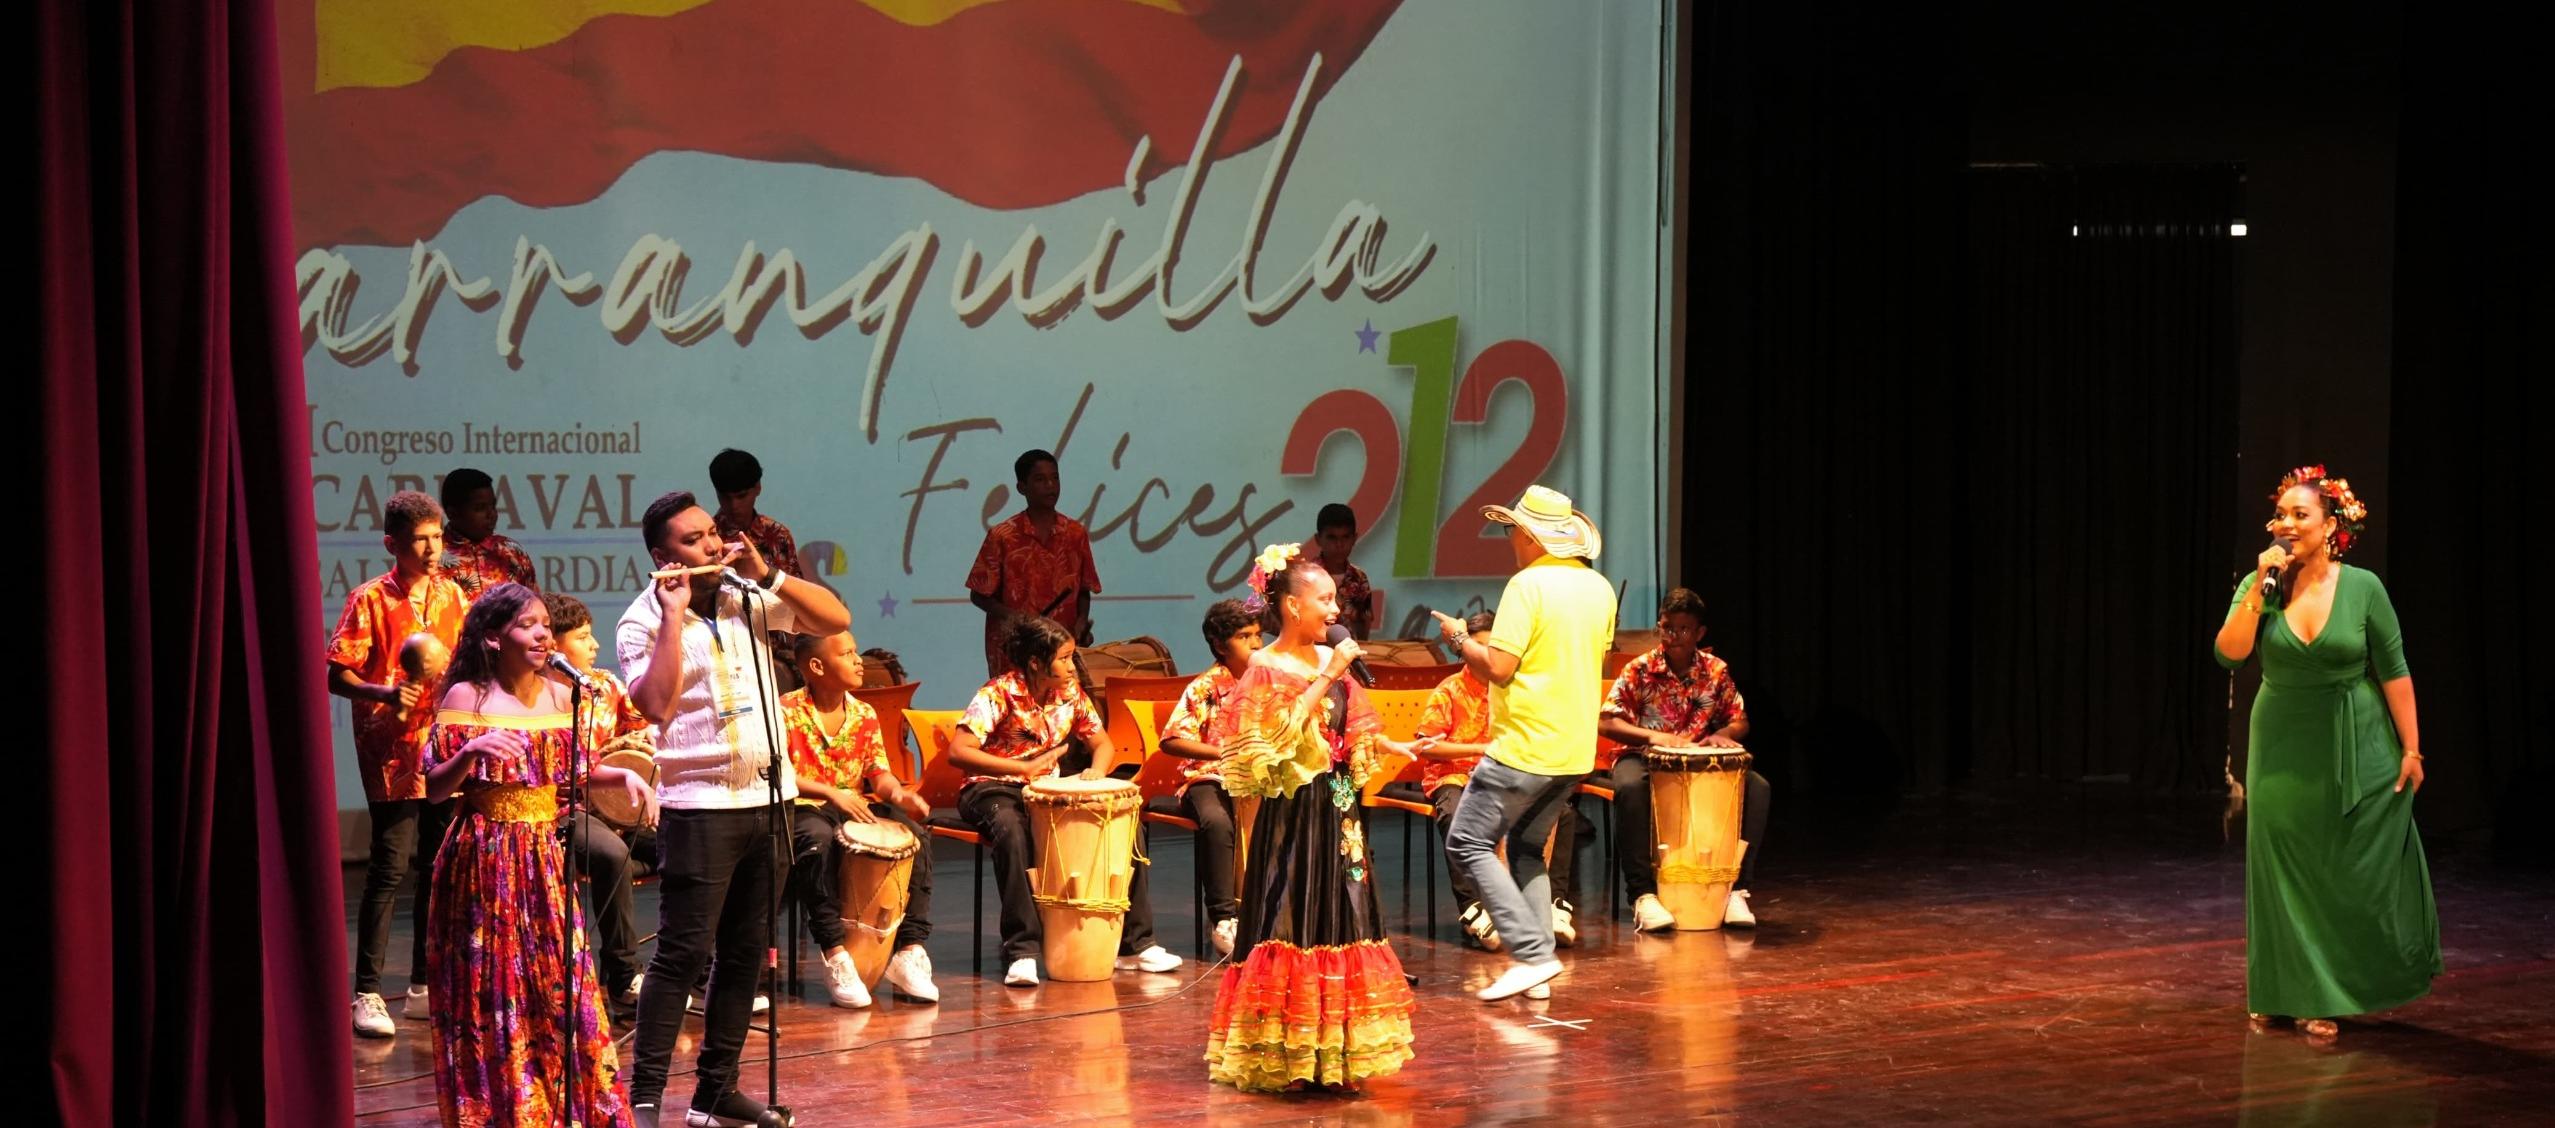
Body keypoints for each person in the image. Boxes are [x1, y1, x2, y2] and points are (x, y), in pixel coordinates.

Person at [618, 490, 850, 1128]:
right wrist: (671, 618)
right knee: (682, 954)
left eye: (711, 534)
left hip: (769, 797)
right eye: (694, 541)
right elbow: (655, 706)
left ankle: (716, 1091)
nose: (713, 545)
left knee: (745, 954)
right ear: (664, 556)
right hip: (699, 808)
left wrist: (770, 574)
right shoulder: (640, 620)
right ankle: (643, 1098)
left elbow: (833, 620)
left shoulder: (747, 598)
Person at [2212, 465, 2440, 1042]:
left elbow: (2394, 671)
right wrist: (2258, 589)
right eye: (2280, 514)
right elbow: (2229, 655)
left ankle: (2327, 993)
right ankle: (2276, 992)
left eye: (2300, 514)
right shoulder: (2261, 581)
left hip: (2354, 737)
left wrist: (2412, 748)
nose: (2287, 524)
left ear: (2330, 524)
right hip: (2283, 738)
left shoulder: (2363, 587)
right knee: (2280, 862)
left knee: (2337, 867)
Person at [422, 582, 652, 1126]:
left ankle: (561, 1102)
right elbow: (433, 787)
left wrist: (622, 774)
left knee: (555, 978)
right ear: (495, 638)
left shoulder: (559, 695)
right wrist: (471, 751)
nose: (543, 633)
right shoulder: (466, 698)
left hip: (542, 859)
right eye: (529, 625)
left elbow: (574, 772)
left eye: (546, 624)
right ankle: (502, 1105)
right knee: (493, 983)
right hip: (483, 855)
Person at [1204, 543, 1424, 1092]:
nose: (1335, 611)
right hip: (1296, 815)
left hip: (1339, 807)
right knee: (1294, 916)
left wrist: (1395, 745)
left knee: (1344, 914)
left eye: (1336, 600)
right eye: (1323, 599)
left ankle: (1336, 1055)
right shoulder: (1265, 667)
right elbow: (1275, 738)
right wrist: (1330, 674)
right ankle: (1288, 1055)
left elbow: (1353, 727)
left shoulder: (1334, 661)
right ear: (1290, 606)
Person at [1430, 485, 1616, 1003]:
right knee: (1529, 848)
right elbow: (1593, 659)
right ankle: (1540, 965)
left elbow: (1502, 667)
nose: (1509, 538)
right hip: (1573, 748)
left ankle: (1531, 954)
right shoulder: (1598, 588)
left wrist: (1460, 640)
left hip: (1526, 745)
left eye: (1512, 530)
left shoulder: (1526, 586)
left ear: (1533, 537)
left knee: (1467, 841)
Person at [949, 614, 1181, 986]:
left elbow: (1101, 743)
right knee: (1012, 830)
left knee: (1122, 822)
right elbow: (959, 751)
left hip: (1044, 791)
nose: (1073, 666)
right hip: (991, 787)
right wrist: (1020, 769)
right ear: (1037, 663)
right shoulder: (998, 692)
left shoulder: (1070, 693)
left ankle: (1135, 944)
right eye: (1065, 658)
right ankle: (1022, 951)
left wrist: (1096, 774)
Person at [327, 490, 471, 1037]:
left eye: (437, 537)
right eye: (420, 539)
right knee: (390, 868)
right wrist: (385, 694)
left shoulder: (454, 596)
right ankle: (366, 991)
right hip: (392, 749)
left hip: (445, 747)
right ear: (393, 543)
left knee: (437, 866)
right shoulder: (371, 600)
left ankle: (422, 984)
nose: (433, 548)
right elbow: (336, 671)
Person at [779, 630, 939, 1007]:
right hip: (803, 807)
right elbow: (781, 772)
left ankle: (909, 951)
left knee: (917, 837)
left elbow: (877, 773)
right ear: (816, 667)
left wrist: (899, 794)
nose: (858, 660)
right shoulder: (785, 710)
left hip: (853, 804)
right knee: (817, 843)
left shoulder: (864, 713)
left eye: (855, 652)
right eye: (846, 653)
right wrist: (831, 793)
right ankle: (836, 954)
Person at [1598, 588, 1765, 931]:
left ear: (1699, 633)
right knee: (1630, 788)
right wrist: (1655, 737)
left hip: (1697, 760)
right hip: (1641, 756)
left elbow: (1740, 719)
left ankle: (1738, 889)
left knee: (1758, 788)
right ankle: (1643, 895)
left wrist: (1725, 735)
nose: (1673, 637)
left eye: (1683, 629)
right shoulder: (1639, 669)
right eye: (1667, 628)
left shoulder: (1715, 671)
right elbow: (1607, 720)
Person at [1418, 612, 1585, 950]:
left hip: (1507, 774)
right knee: (1454, 815)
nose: (1485, 655)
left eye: (1492, 648)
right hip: (1455, 775)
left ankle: (1554, 907)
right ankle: (1475, 910)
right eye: (1477, 646)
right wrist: (1481, 748)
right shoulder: (1450, 690)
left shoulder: (1514, 689)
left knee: (1563, 814)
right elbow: (1427, 745)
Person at [541, 591, 656, 1018]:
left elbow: (644, 729)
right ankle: (624, 978)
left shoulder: (604, 687)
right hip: (560, 809)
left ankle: (691, 969)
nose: (595, 646)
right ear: (553, 646)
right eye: (584, 637)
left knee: (690, 845)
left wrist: (641, 740)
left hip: (615, 805)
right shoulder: (536, 695)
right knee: (612, 854)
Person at [1158, 599, 1264, 956]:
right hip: (1208, 776)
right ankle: (1223, 918)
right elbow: (1172, 740)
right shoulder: (1205, 687)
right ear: (1220, 645)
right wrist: (1225, 753)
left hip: (1260, 777)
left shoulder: (1270, 683)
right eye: (1244, 636)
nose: (1256, 644)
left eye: (1258, 635)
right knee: (1217, 821)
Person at [966, 448, 1101, 676]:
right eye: (1040, 479)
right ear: (1022, 487)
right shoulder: (1003, 536)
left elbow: (1084, 589)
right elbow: (978, 594)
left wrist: (1080, 622)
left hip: (1061, 651)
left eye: (1055, 478)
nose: (1050, 485)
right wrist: (1017, 617)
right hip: (1016, 650)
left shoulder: (1075, 533)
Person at [708, 448, 804, 580]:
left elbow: (797, 591)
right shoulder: (708, 540)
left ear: (758, 487)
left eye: (741, 496)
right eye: (725, 497)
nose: (734, 505)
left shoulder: (778, 534)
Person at [439, 467, 537, 595]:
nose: (491, 514)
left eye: (493, 506)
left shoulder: (512, 551)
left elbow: (534, 605)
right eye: (480, 508)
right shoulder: (434, 554)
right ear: (453, 513)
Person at [1311, 502, 1381, 640]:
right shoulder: (1306, 577)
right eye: (1332, 537)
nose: (1339, 545)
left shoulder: (1359, 578)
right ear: (1318, 539)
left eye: (1345, 537)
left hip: (1349, 654)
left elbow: (1364, 622)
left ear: (1354, 539)